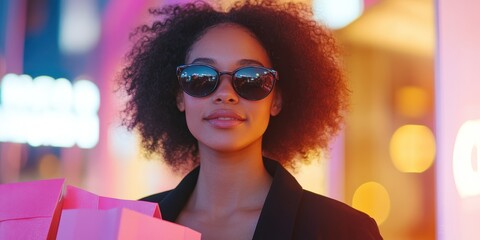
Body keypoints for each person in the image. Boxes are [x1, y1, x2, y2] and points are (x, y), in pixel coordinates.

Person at [120, 0, 383, 239]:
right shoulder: (132, 226)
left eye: (251, 79)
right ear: (180, 98)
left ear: (276, 100)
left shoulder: (345, 230)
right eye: (200, 77)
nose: (225, 94)